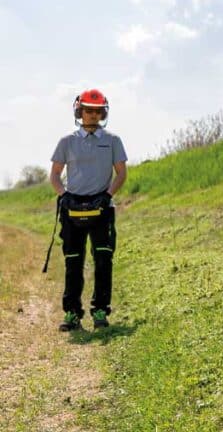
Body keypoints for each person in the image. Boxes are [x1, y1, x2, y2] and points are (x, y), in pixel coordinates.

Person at [49, 89, 127, 332]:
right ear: (78, 111)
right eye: (88, 110)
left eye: (97, 111)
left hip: (102, 208)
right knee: (73, 261)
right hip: (73, 208)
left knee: (103, 259)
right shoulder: (67, 142)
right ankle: (72, 313)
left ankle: (100, 310)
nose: (92, 115)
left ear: (103, 112)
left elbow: (121, 173)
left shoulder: (113, 141)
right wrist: (65, 196)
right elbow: (54, 175)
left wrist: (107, 196)